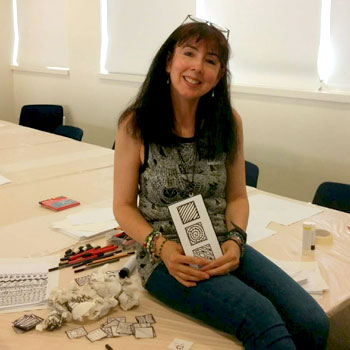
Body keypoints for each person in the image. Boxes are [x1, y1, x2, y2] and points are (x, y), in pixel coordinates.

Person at [113, 15, 329, 350]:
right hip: (165, 259)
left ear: (219, 75)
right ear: (169, 60)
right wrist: (164, 249)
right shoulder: (136, 125)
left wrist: (236, 242)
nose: (197, 67)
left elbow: (238, 197)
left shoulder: (228, 121)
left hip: (222, 245)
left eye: (211, 60)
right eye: (189, 54)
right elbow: (123, 207)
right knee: (262, 321)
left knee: (312, 323)